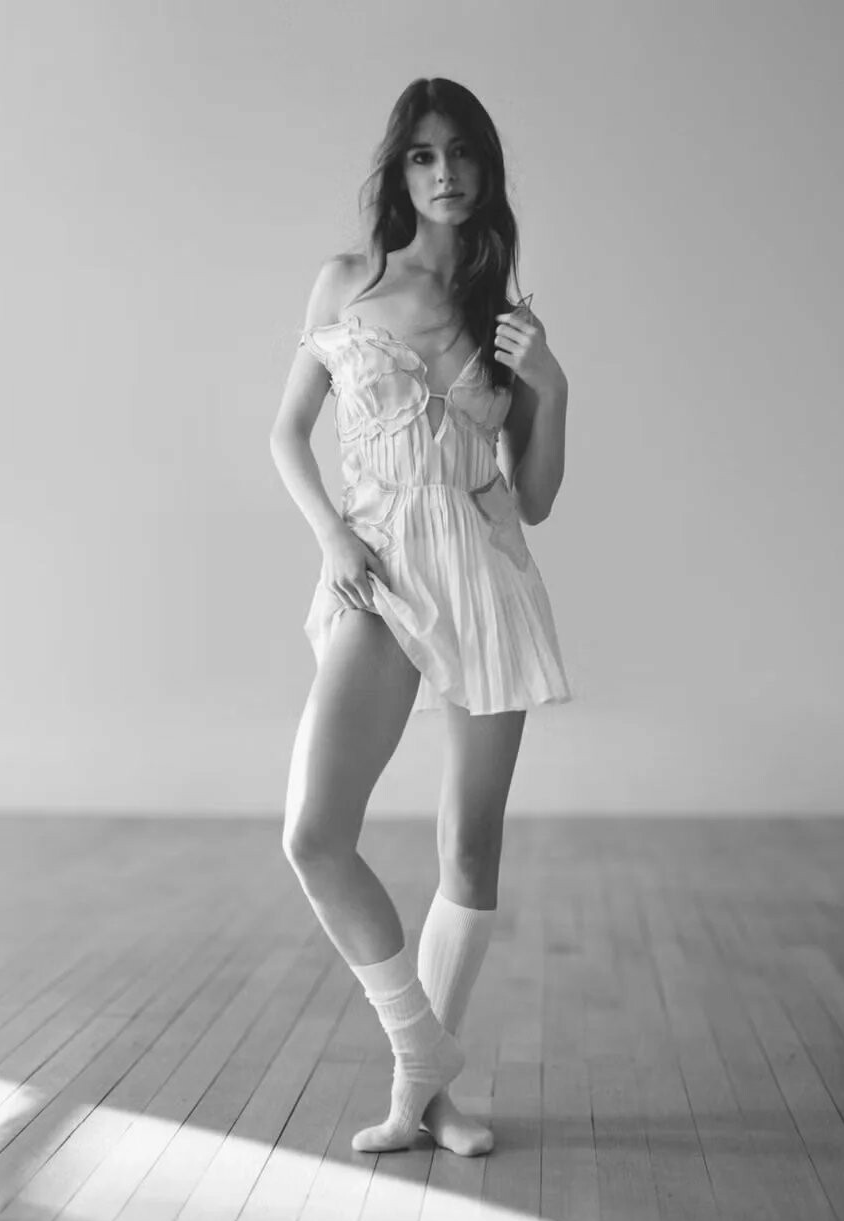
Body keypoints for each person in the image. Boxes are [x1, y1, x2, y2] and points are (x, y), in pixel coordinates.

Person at [269, 77, 572, 1156]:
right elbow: (286, 433)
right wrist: (332, 537)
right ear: (398, 170)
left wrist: (552, 388)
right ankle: (423, 1054)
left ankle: (423, 1101)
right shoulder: (345, 282)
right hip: (379, 567)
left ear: (486, 170)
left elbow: (535, 497)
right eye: (423, 155)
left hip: (484, 577)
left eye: (463, 154)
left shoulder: (506, 321)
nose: (446, 173)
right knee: (314, 833)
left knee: (470, 845)